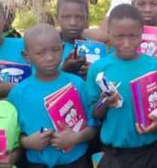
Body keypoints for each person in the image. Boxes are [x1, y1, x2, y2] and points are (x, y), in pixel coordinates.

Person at [86, 4, 157, 168]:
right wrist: (104, 102)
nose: (126, 43)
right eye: (119, 37)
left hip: (151, 153)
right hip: (114, 155)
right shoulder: (99, 68)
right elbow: (94, 112)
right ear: (109, 35)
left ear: (142, 35)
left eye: (133, 36)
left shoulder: (155, 67)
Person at [7, 24, 97, 167]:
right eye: (40, 53)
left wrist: (76, 138)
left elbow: (94, 126)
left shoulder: (77, 84)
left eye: (55, 50)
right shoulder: (18, 94)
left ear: (62, 49)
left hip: (76, 162)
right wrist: (27, 142)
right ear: (26, 56)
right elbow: (12, 136)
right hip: (36, 164)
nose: (49, 58)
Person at [56, 0, 91, 78]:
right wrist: (63, 70)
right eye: (66, 17)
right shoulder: (46, 49)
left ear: (87, 18)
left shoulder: (96, 49)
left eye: (79, 17)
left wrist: (94, 72)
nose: (73, 23)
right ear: (57, 18)